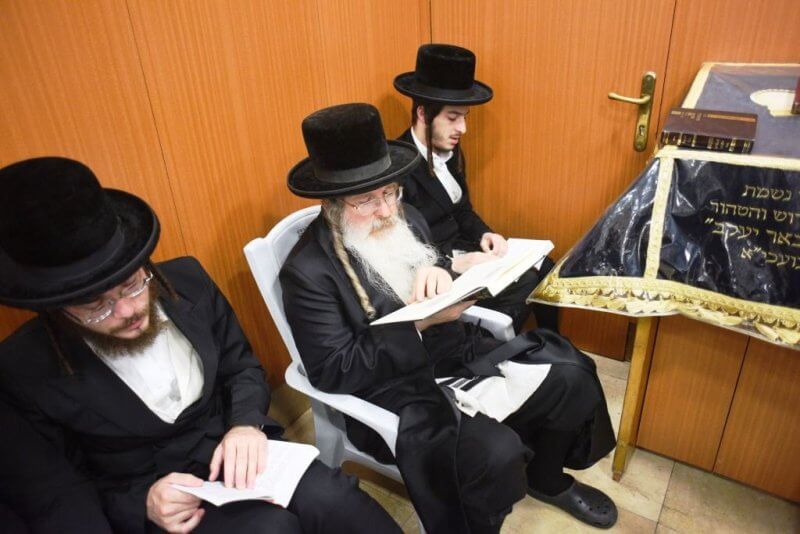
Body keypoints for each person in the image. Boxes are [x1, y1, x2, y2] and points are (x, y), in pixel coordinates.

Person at [0, 157, 400, 534]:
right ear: (57, 308)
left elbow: (241, 366)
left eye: (132, 284)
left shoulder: (186, 280)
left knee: (340, 503)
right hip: (160, 493)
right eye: (95, 306)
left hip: (236, 445)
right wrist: (140, 504)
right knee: (271, 529)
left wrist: (245, 423)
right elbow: (56, 492)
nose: (128, 310)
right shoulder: (22, 368)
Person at [280, 103, 618, 533]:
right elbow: (332, 370)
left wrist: (449, 270)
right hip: (393, 393)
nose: (386, 210)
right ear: (331, 204)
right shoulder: (308, 272)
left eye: (390, 192)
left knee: (572, 371)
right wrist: (419, 324)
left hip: (453, 352)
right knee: (495, 455)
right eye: (366, 200)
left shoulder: (403, 215)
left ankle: (546, 478)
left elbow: (431, 261)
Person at [394, 43, 559, 333]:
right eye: (453, 118)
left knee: (545, 267)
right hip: (437, 269)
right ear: (423, 114)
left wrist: (486, 234)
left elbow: (463, 211)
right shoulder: (399, 169)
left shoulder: (450, 149)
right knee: (524, 282)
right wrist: (458, 262)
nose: (463, 129)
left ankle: (550, 341)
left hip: (464, 250)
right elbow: (406, 249)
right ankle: (486, 345)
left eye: (464, 117)